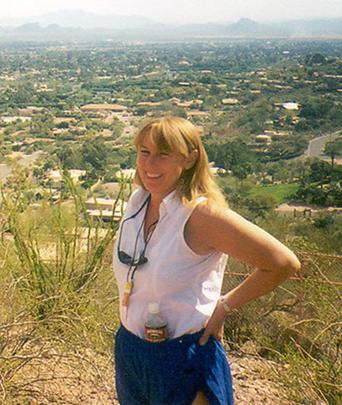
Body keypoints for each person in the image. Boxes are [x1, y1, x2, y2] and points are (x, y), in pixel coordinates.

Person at [112, 116, 301, 405]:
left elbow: (282, 263)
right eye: (144, 152)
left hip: (182, 356)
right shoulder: (138, 202)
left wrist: (225, 306)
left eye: (163, 154)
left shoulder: (201, 216)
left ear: (189, 159)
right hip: (131, 350)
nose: (150, 164)